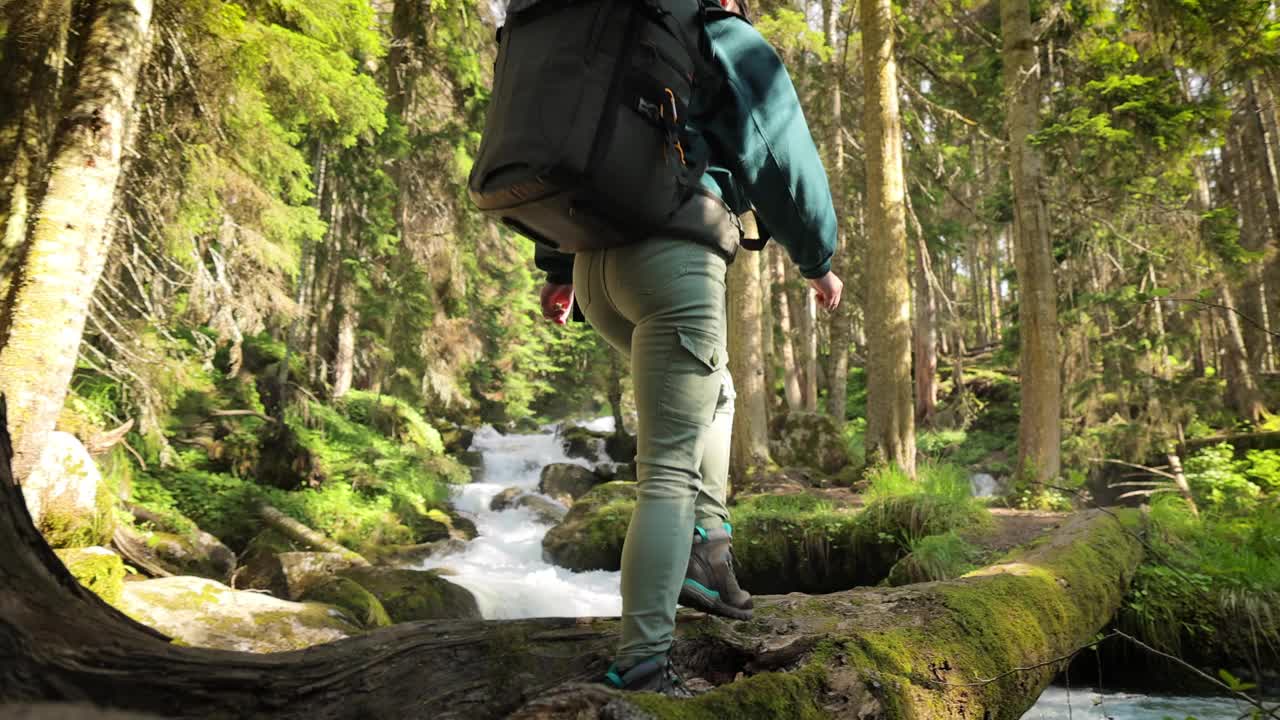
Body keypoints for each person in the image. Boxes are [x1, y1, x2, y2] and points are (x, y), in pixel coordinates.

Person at [535, 0, 843, 695]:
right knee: (669, 469)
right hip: (671, 263)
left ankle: (706, 553)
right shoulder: (714, 33)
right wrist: (816, 258)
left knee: (719, 395)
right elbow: (779, 150)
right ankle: (643, 658)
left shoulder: (608, 36)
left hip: (595, 267)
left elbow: (571, 144)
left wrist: (558, 270)